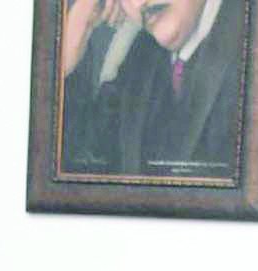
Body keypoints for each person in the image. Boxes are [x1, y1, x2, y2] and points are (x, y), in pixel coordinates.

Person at [58, 0, 245, 179]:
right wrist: (64, 62)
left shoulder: (256, 44)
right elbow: (84, 166)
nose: (137, 4)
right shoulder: (139, 60)